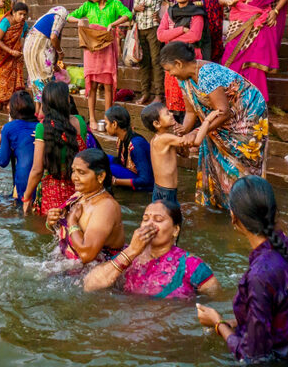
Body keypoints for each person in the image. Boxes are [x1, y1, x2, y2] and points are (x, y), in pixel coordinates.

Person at [197, 177, 288, 362]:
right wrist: (239, 323)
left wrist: (217, 323)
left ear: (234, 217)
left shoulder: (259, 274)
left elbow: (253, 356)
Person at [158, 42, 269, 208]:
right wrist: (182, 131)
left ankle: (246, 205)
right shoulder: (184, 80)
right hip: (220, 117)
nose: (170, 74)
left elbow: (223, 112)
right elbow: (190, 112)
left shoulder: (207, 74)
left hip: (247, 114)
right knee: (213, 152)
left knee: (241, 162)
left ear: (179, 64)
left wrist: (197, 132)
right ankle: (222, 201)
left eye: (169, 70)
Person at [84, 200, 219, 296]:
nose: (149, 225)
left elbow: (215, 300)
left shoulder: (191, 265)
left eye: (158, 220)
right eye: (145, 219)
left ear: (175, 230)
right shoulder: (128, 255)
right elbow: (90, 286)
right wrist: (131, 251)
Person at [220, 0, 288, 103]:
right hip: (238, 23)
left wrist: (276, 10)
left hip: (261, 26)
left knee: (255, 66)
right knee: (230, 60)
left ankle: (255, 103)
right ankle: (232, 101)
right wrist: (228, 1)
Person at [68, 0, 132, 131]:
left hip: (107, 47)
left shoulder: (114, 4)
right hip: (91, 49)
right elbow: (69, 16)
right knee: (92, 85)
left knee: (108, 85)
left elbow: (128, 14)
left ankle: (107, 118)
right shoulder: (88, 6)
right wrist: (80, 21)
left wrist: (113, 24)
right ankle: (92, 118)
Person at [45, 149, 125, 264]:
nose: (74, 177)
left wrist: (72, 221)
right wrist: (51, 222)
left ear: (101, 176)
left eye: (81, 173)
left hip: (97, 273)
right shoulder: (79, 196)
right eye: (73, 171)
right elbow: (62, 233)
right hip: (69, 266)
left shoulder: (106, 207)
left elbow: (86, 255)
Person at [22, 82, 89, 215]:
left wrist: (27, 196)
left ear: (46, 104)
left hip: (52, 195)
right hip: (79, 192)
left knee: (51, 231)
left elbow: (37, 170)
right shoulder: (80, 122)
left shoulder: (42, 128)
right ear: (68, 100)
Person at [141, 101, 219, 204]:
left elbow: (185, 154)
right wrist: (207, 121)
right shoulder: (164, 138)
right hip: (165, 192)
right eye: (167, 114)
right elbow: (196, 142)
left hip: (165, 190)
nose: (172, 114)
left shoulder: (164, 138)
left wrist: (181, 137)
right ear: (157, 123)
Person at [158, 0, 207, 115]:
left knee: (190, 99)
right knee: (174, 100)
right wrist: (180, 30)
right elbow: (160, 35)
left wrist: (171, 37)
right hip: (172, 59)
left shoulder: (196, 13)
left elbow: (194, 36)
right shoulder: (170, 12)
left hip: (189, 58)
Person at [0, 90, 39, 202]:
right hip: (42, 181)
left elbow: (2, 161)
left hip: (23, 180)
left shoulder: (9, 128)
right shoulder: (40, 126)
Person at [22, 6, 68, 107]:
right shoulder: (60, 16)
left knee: (37, 79)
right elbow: (53, 37)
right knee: (46, 80)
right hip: (39, 47)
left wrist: (55, 63)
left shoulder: (47, 17)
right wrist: (60, 52)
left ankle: (38, 111)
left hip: (29, 46)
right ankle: (44, 111)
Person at [132, 0, 164, 105]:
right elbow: (133, 8)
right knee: (143, 62)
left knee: (156, 61)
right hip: (140, 28)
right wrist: (135, 8)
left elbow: (167, 4)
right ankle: (145, 93)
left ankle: (158, 94)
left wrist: (162, 18)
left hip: (154, 27)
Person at [103, 105, 153, 193]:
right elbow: (120, 161)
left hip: (146, 185)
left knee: (107, 168)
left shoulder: (136, 144)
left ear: (114, 124)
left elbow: (146, 180)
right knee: (101, 158)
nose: (105, 127)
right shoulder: (121, 138)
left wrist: (115, 181)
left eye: (106, 124)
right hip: (130, 171)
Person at [0, 2, 29, 112]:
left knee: (14, 79)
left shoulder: (23, 25)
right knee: (0, 77)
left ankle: (10, 102)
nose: (22, 17)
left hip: (15, 55)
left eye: (24, 15)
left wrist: (22, 51)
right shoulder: (5, 22)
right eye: (20, 14)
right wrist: (10, 51)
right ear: (13, 13)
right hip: (1, 55)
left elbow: (25, 37)